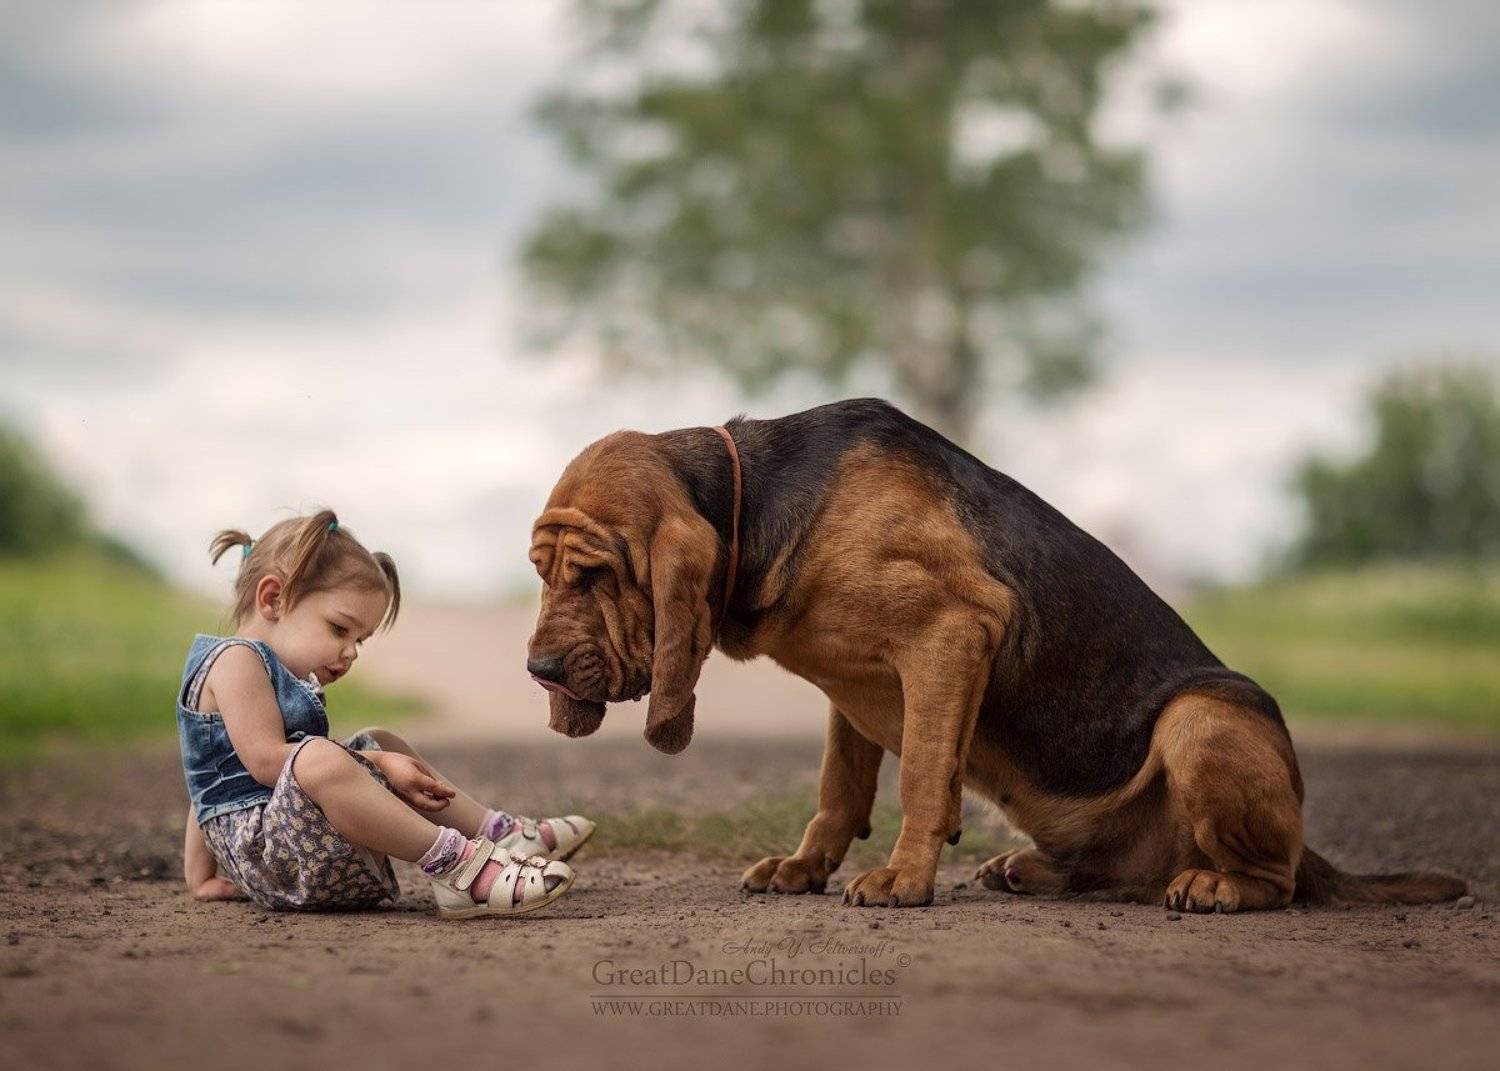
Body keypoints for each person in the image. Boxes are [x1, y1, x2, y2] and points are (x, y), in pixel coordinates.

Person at [177, 508, 593, 917]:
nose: (351, 651)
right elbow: (265, 762)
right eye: (340, 629)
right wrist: (376, 764)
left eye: (361, 638)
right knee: (321, 757)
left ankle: (498, 835)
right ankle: (460, 868)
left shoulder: (268, 672)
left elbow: (208, 777)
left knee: (379, 738)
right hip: (275, 860)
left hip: (296, 845)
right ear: (272, 599)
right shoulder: (237, 661)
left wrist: (200, 878)